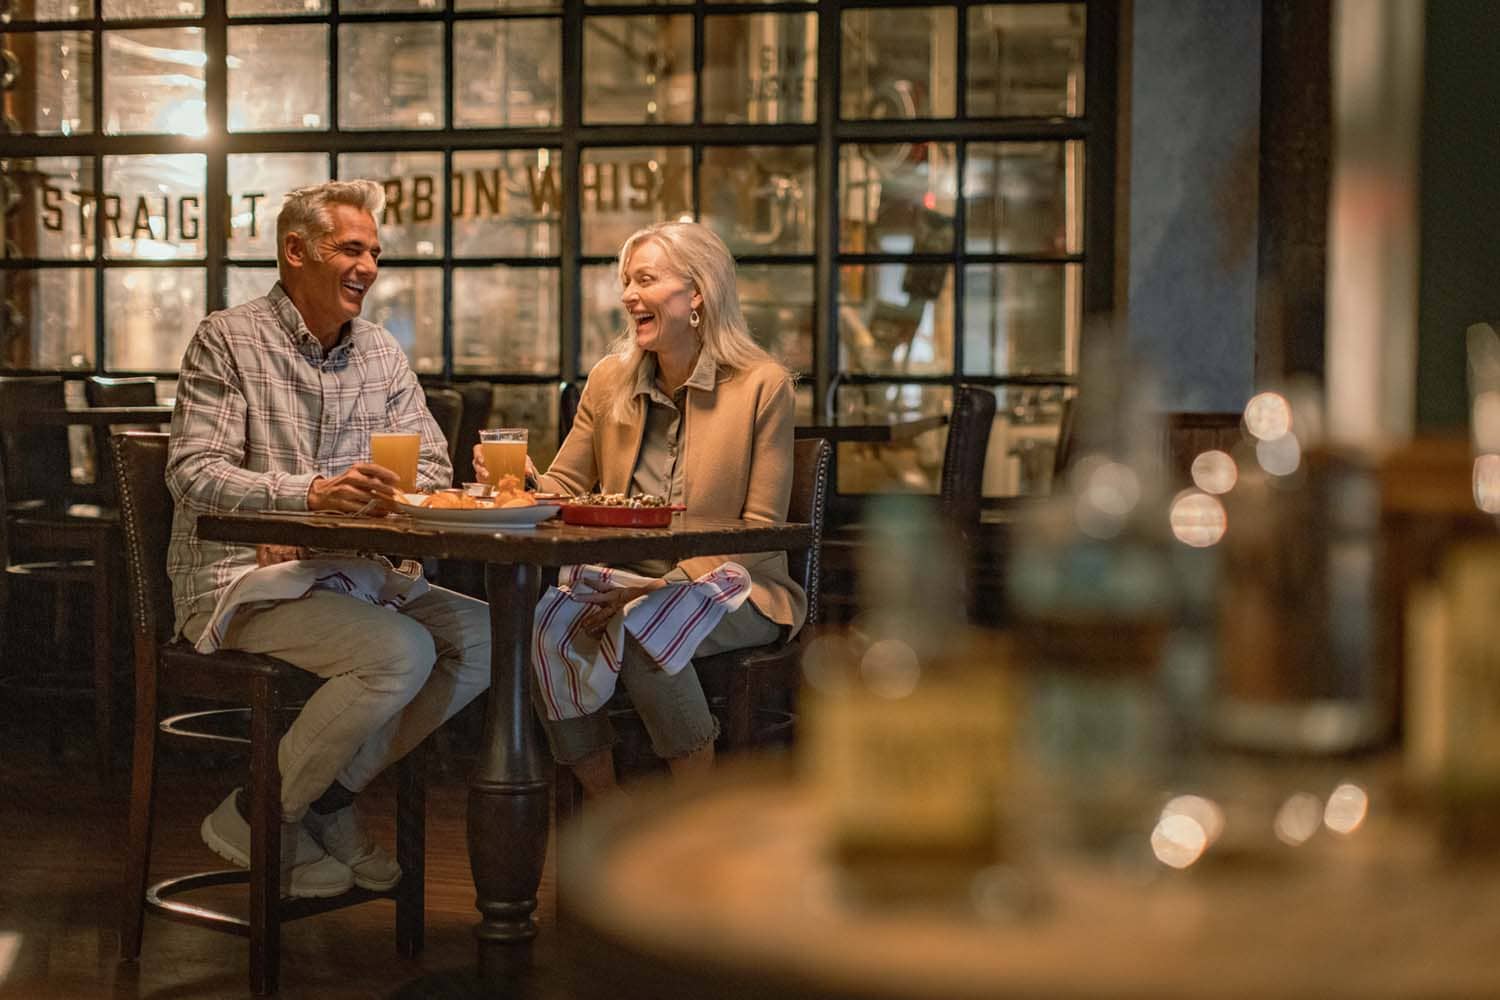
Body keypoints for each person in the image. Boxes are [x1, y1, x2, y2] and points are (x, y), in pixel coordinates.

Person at [166, 179, 491, 898]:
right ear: (295, 252)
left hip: (350, 572)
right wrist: (307, 496)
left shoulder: (379, 352)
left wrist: (378, 501)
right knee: (399, 651)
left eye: (374, 251)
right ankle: (261, 817)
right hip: (235, 579)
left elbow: (431, 465)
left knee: (487, 637)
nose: (368, 266)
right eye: (351, 248)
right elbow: (193, 473)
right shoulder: (227, 339)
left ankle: (323, 802)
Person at [476, 221, 804, 799]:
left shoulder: (764, 385)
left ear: (696, 292)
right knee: (547, 629)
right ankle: (609, 813)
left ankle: (693, 817)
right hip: (626, 580)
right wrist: (522, 484)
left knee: (647, 631)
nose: (628, 295)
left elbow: (758, 533)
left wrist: (651, 591)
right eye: (626, 281)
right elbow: (565, 486)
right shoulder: (608, 381)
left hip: (737, 583)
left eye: (645, 280)